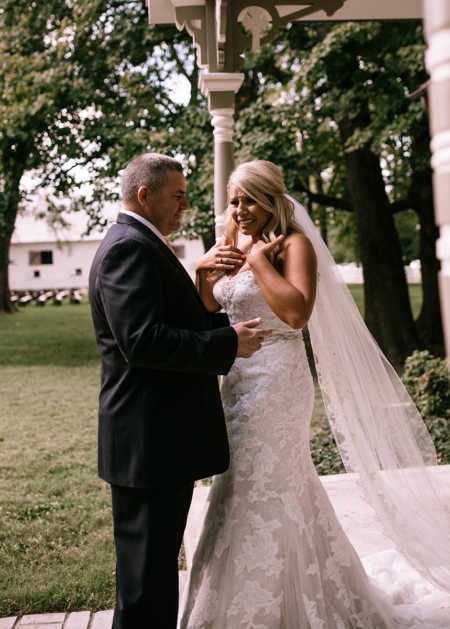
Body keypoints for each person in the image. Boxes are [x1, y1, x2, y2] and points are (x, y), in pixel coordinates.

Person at [179, 160, 450, 628]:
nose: (240, 210)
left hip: (278, 379)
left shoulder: (293, 244)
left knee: (266, 481)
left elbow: (297, 313)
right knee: (239, 481)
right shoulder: (228, 239)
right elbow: (213, 305)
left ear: (271, 200)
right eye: (234, 200)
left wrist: (261, 262)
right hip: (237, 378)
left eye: (249, 200)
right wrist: (203, 273)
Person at [88, 153, 271, 629]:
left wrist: (215, 317)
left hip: (157, 440)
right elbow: (143, 342)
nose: (185, 205)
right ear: (145, 195)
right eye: (178, 195)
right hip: (148, 440)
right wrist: (226, 342)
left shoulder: (144, 243)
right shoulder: (129, 247)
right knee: (145, 581)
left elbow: (169, 322)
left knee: (151, 574)